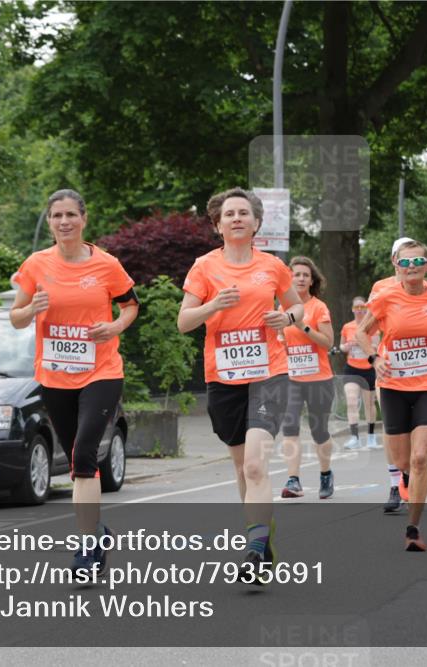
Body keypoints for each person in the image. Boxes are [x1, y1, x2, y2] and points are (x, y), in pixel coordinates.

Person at [10, 189, 140, 575]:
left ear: (84, 219)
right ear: (50, 222)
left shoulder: (107, 265)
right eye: (57, 216)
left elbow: (131, 305)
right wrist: (30, 309)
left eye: (70, 215)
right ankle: (97, 533)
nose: (64, 222)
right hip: (55, 375)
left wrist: (114, 326)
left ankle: (85, 548)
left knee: (84, 454)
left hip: (101, 372)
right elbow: (15, 317)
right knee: (74, 459)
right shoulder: (36, 264)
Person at [177, 187, 303, 581]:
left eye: (243, 213)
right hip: (223, 377)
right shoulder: (204, 267)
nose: (236, 218)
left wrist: (288, 318)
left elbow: (296, 305)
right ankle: (261, 537)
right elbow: (184, 322)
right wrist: (213, 305)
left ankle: (253, 551)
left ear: (256, 223)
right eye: (228, 214)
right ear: (218, 225)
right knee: (241, 466)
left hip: (269, 374)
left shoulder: (272, 266)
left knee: (254, 464)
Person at [354, 240, 427, 551]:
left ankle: (413, 528)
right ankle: (407, 477)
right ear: (397, 266)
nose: (412, 267)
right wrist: (374, 358)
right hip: (394, 387)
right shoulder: (385, 297)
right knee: (401, 460)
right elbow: (361, 332)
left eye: (418, 262)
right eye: (405, 263)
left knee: (420, 456)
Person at [280, 256, 336, 500]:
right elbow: (278, 342)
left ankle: (325, 473)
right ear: (289, 279)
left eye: (305, 275)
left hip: (319, 379)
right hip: (291, 379)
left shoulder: (318, 307)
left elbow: (328, 343)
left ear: (312, 281)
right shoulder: (282, 309)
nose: (301, 279)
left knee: (318, 430)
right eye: (296, 274)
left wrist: (303, 325)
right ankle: (293, 480)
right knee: (289, 425)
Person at [339, 296, 382, 450]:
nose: (359, 310)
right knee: (351, 401)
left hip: (368, 368)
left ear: (366, 309)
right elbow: (341, 346)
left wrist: (363, 343)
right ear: (352, 310)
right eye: (356, 307)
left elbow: (376, 347)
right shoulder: (347, 327)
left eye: (362, 307)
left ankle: (371, 436)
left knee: (369, 404)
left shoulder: (372, 326)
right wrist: (347, 346)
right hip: (352, 368)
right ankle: (354, 437)